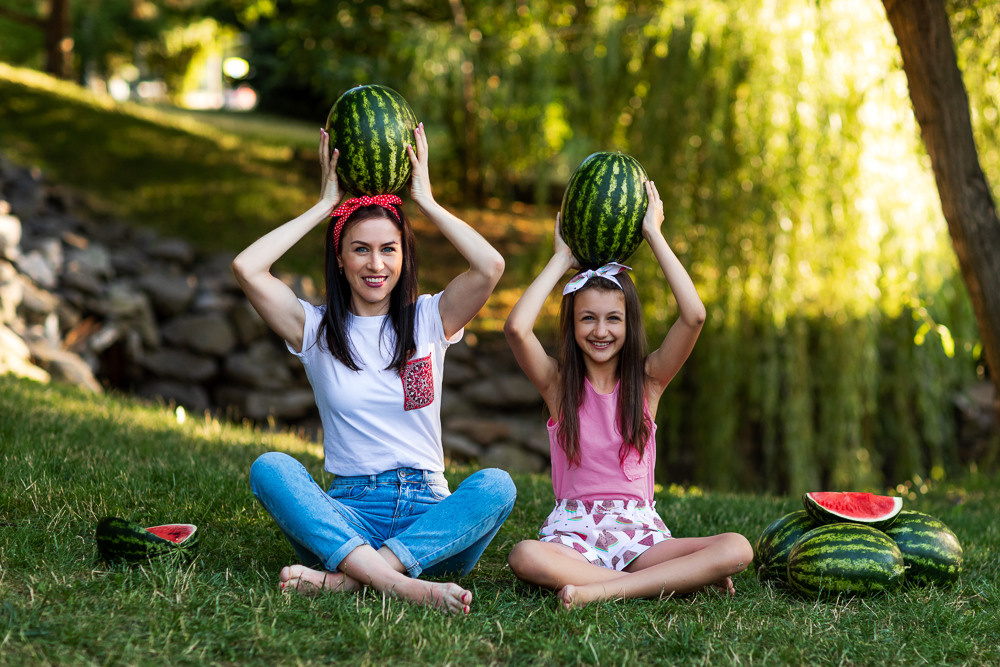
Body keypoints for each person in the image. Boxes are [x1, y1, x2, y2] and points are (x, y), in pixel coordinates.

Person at [232, 122, 516, 614]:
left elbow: (490, 267)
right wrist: (325, 206)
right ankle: (404, 585)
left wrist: (424, 199)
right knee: (270, 468)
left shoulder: (429, 319)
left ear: (404, 256)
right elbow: (247, 268)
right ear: (339, 259)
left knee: (497, 485)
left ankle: (351, 580)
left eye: (389, 248)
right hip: (348, 514)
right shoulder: (315, 329)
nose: (375, 263)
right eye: (360, 248)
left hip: (430, 513)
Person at [503, 180, 752, 609]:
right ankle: (655, 583)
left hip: (641, 536)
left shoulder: (650, 380)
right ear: (572, 325)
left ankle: (601, 590)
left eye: (613, 319)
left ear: (629, 323)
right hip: (573, 537)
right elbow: (516, 329)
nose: (601, 331)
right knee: (525, 555)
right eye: (588, 319)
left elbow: (693, 316)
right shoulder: (559, 386)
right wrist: (560, 258)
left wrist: (654, 235)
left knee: (738, 548)